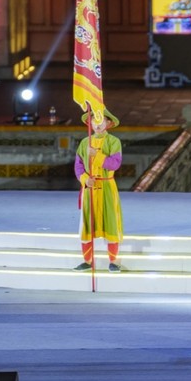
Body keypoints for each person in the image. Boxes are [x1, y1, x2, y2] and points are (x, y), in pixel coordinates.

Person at [73, 109, 124, 273]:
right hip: (90, 189)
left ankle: (114, 261)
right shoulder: (84, 143)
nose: (98, 124)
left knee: (111, 223)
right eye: (95, 120)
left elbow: (114, 164)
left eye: (101, 120)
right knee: (87, 224)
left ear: (108, 123)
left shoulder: (114, 142)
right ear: (90, 123)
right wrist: (84, 179)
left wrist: (97, 155)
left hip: (107, 187)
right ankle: (87, 261)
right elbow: (78, 165)